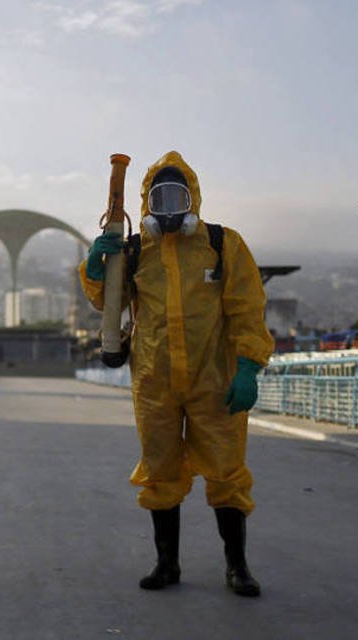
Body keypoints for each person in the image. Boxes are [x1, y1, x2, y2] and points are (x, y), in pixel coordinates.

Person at [79, 151, 274, 597]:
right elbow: (105, 302)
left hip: (215, 378)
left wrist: (248, 367)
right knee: (161, 471)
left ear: (194, 199)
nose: (169, 209)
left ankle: (236, 566)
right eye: (160, 199)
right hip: (155, 381)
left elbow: (247, 308)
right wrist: (95, 265)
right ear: (146, 203)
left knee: (227, 470)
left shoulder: (223, 244)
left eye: (177, 197)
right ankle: (167, 563)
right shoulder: (134, 250)